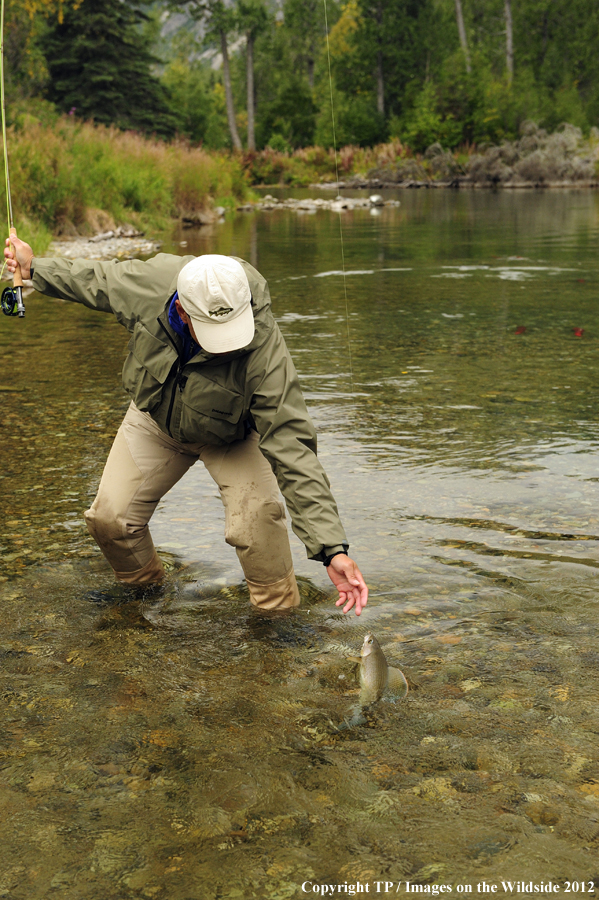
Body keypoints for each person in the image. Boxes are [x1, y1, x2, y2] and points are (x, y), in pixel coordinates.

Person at [4, 235, 368, 616]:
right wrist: (33, 269)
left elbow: (292, 444)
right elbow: (94, 279)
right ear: (182, 312)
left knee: (255, 523)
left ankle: (277, 620)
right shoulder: (149, 286)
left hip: (232, 436)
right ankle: (146, 594)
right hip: (156, 420)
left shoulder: (263, 347)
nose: (226, 346)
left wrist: (332, 550)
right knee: (109, 519)